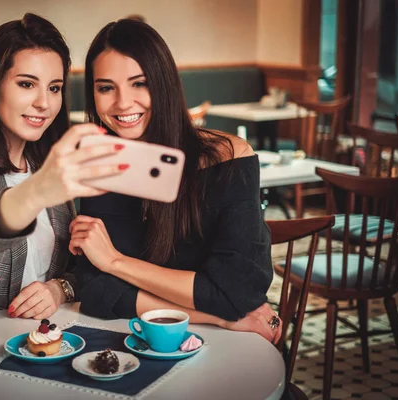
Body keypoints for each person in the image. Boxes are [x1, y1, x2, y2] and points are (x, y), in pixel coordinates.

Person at [70, 18, 281, 343]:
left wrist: (114, 261)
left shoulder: (227, 157)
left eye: (139, 83)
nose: (123, 102)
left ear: (164, 83)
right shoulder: (102, 163)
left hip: (230, 347)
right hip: (141, 338)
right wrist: (217, 317)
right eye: (106, 87)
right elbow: (96, 290)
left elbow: (236, 293)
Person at [0, 13, 127, 335]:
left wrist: (60, 289)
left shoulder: (47, 165)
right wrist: (37, 192)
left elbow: (75, 266)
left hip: (48, 339)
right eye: (27, 84)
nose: (44, 103)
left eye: (54, 87)